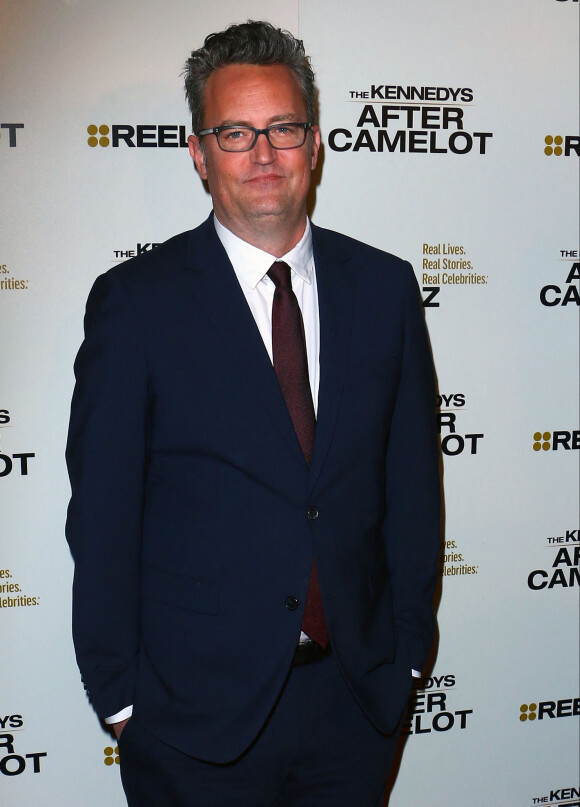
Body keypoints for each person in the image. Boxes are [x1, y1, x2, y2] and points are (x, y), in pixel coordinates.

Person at [66, 20, 441, 807]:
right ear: (199, 153)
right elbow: (101, 517)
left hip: (354, 708)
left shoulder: (386, 290)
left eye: (283, 129)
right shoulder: (136, 305)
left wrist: (405, 658)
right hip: (191, 725)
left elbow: (412, 489)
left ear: (315, 145)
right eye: (235, 132)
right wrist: (124, 703)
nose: (263, 154)